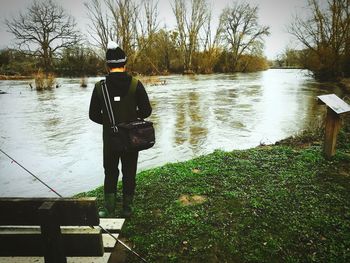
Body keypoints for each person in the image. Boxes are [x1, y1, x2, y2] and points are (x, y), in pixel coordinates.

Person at [89, 41, 152, 218]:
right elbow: (146, 111)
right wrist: (132, 117)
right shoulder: (136, 84)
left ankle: (108, 209)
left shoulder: (99, 88)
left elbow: (93, 115)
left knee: (110, 172)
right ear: (125, 64)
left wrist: (111, 123)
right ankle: (127, 209)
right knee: (129, 172)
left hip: (110, 139)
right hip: (132, 138)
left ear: (108, 66)